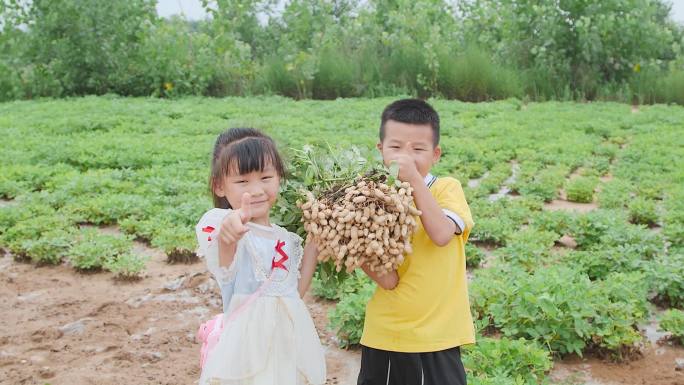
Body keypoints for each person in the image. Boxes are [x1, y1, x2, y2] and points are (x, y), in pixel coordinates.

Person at [195, 128, 326, 385]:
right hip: (247, 353)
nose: (256, 190)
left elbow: (291, 293)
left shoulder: (286, 239)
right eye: (242, 182)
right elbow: (226, 242)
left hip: (286, 345)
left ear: (280, 178)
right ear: (220, 186)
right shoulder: (225, 226)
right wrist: (231, 230)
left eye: (266, 177)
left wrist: (314, 243)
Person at [358, 99, 475, 385]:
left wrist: (413, 181)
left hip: (438, 336)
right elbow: (389, 280)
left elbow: (442, 234)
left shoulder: (446, 188)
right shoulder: (371, 198)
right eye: (396, 148)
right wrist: (355, 243)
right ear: (380, 150)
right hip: (387, 334)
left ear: (436, 154)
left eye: (418, 149)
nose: (406, 157)